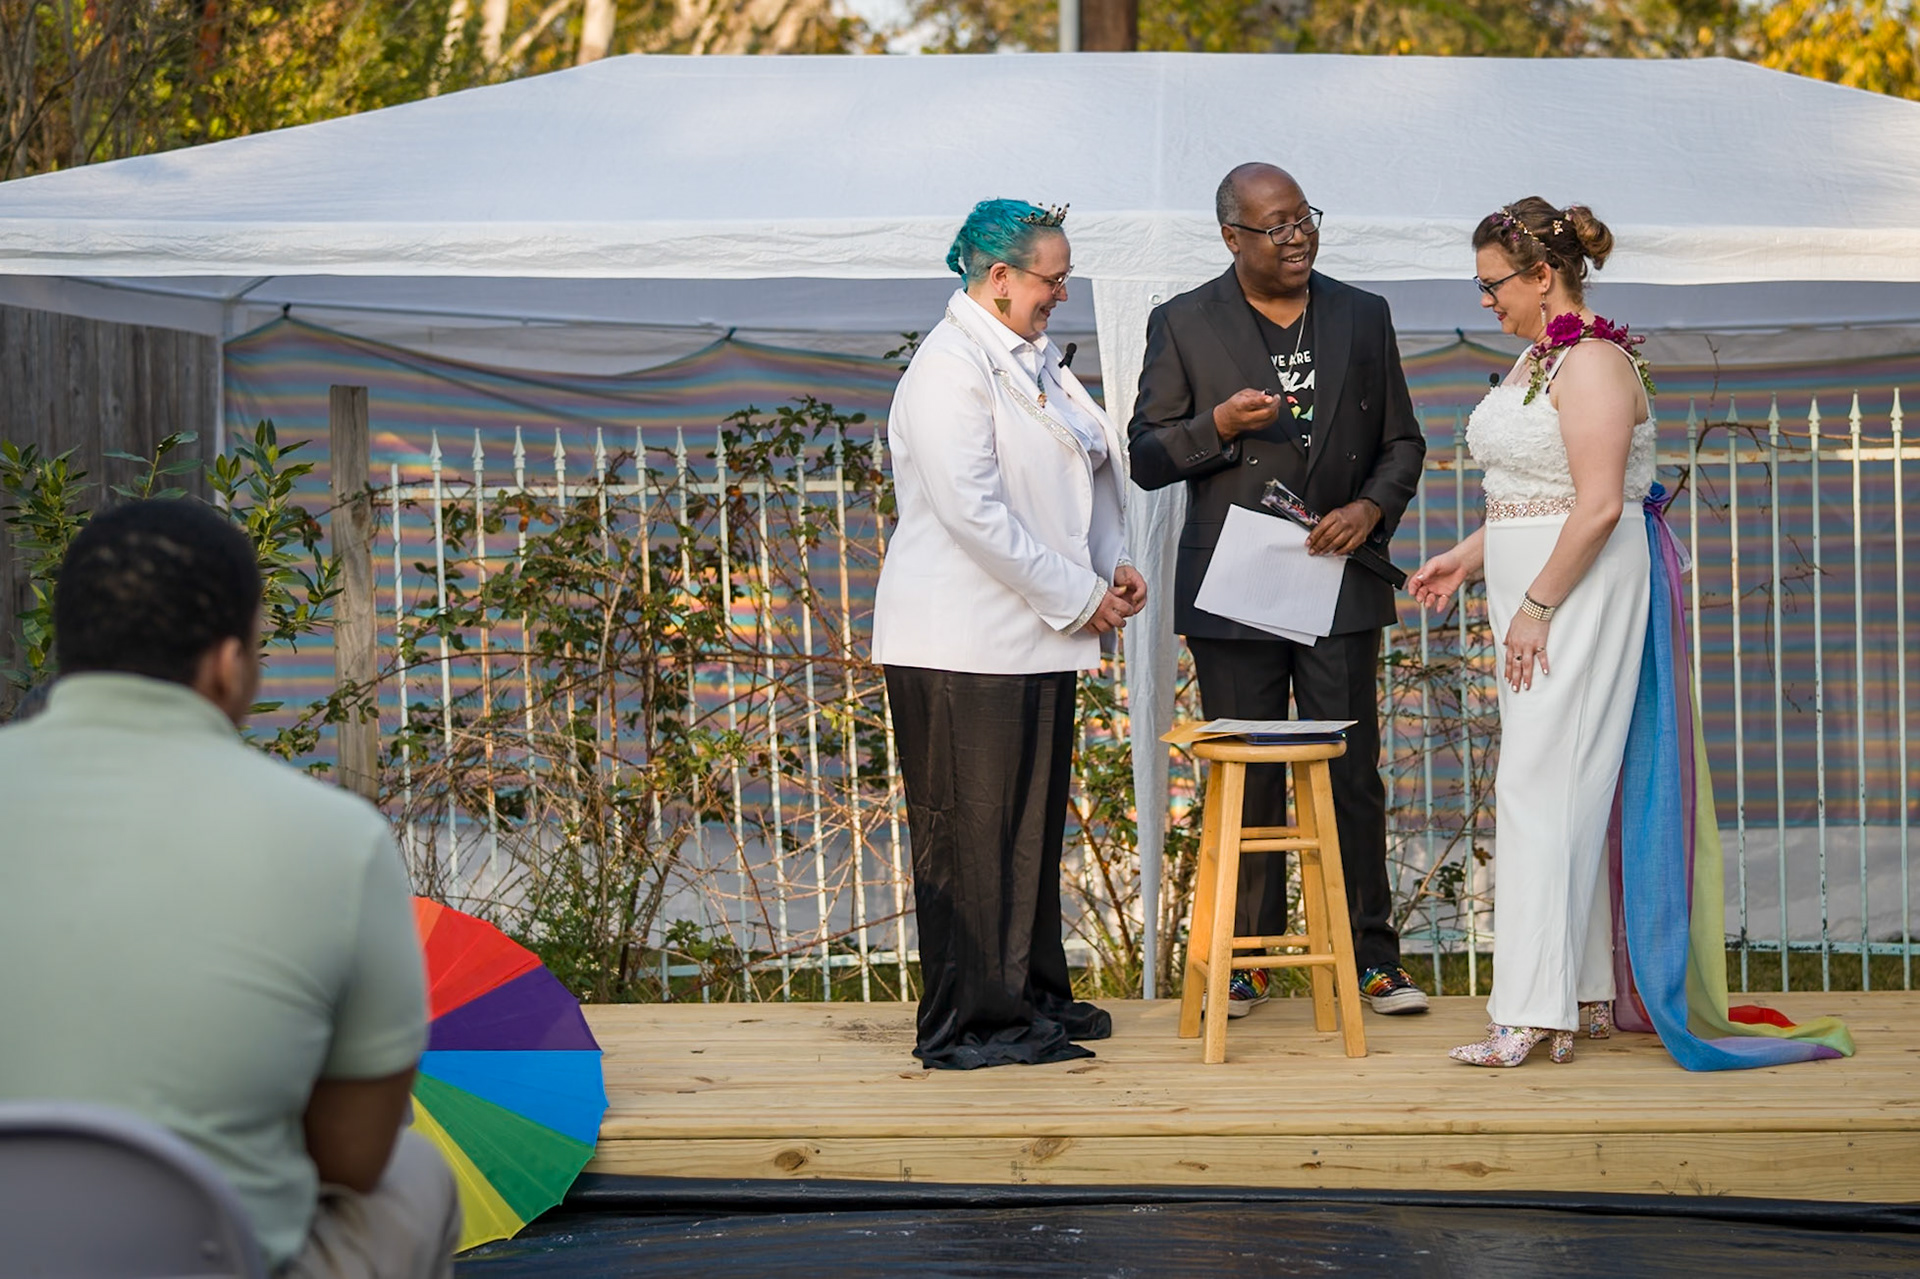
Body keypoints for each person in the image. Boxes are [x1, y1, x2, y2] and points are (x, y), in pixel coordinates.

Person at [1409, 199, 1853, 1070]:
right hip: (1536, 585)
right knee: (1556, 784)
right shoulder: (1541, 358)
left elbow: (1600, 504)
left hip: (1575, 592)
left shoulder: (1596, 362)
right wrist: (1466, 557)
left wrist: (1537, 605)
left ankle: (1527, 1009)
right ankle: (1574, 994)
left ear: (1543, 275)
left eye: (1494, 284)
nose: (1486, 301)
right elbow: (1530, 493)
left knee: (1541, 785)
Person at [0, 499, 460, 1273]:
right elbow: (352, 1157)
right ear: (227, 663)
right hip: (224, 1259)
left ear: (69, 648)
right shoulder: (336, 839)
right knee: (416, 1170)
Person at [1129, 163, 1429, 1017]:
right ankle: (1248, 959)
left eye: (1304, 219)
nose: (1298, 238)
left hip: (1337, 580)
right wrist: (1217, 426)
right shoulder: (1183, 321)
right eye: (1277, 226)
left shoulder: (1362, 314)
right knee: (1251, 779)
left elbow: (1402, 442)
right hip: (1238, 587)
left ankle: (1373, 959)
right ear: (1233, 237)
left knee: (1351, 774)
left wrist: (1370, 508)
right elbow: (1146, 455)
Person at [873, 198, 1146, 1070]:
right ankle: (974, 1019)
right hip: (959, 642)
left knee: (1025, 827)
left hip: (1031, 632)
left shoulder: (1031, 358)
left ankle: (1029, 992)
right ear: (999, 278)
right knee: (972, 834)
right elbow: (975, 513)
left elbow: (1080, 471)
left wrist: (1110, 563)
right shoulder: (948, 368)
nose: (1060, 294)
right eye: (1050, 280)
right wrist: (1080, 595)